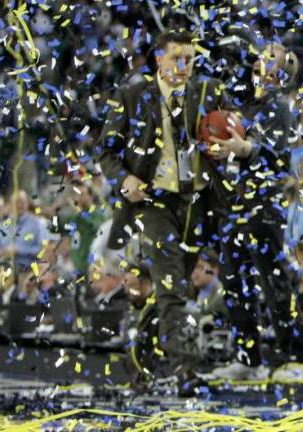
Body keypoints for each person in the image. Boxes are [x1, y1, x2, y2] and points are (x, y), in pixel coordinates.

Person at [97, 27, 231, 395]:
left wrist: (224, 148)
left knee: (177, 286)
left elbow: (226, 135)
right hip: (152, 201)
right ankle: (185, 368)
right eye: (177, 57)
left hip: (196, 201)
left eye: (190, 58)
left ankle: (142, 359)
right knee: (171, 284)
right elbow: (105, 152)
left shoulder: (208, 92)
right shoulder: (132, 93)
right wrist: (125, 180)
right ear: (159, 59)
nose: (185, 65)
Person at [207, 42, 303, 384]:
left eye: (273, 62)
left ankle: (297, 357)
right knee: (235, 281)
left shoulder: (280, 107)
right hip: (233, 203)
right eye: (261, 60)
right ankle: (248, 358)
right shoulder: (245, 103)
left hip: (263, 205)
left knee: (273, 280)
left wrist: (245, 149)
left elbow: (278, 160)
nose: (263, 66)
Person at [0, 189, 51, 271]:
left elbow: (44, 250)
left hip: (29, 270)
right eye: (16, 202)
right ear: (10, 205)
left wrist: (19, 250)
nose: (19, 205)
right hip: (4, 272)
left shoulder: (38, 223)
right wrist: (1, 253)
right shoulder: (2, 226)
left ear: (27, 203)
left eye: (22, 202)